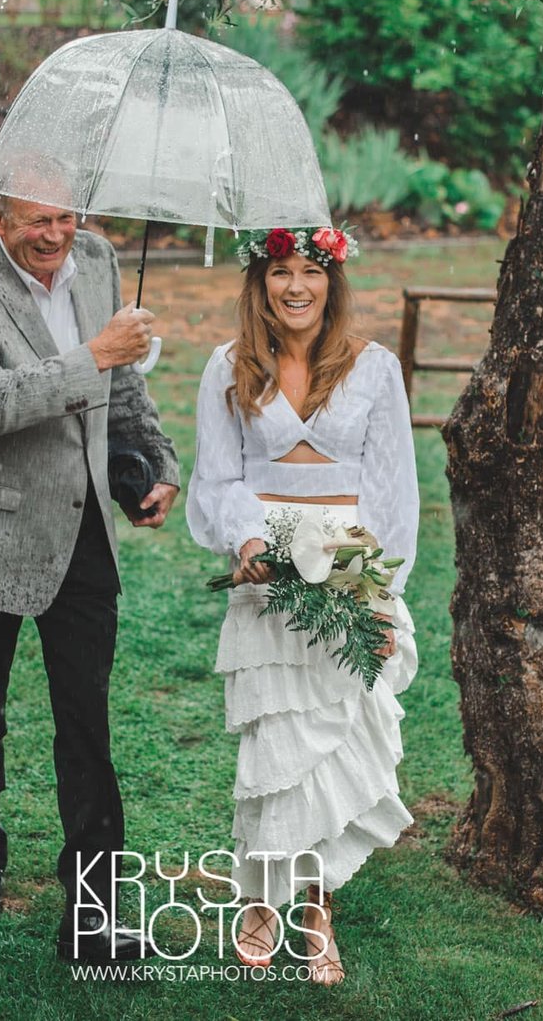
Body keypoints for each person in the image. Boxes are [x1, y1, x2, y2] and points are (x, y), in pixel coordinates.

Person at [0, 190, 180, 964]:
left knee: (87, 724)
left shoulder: (96, 259)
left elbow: (123, 385)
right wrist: (93, 353)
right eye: (38, 221)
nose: (57, 236)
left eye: (67, 218)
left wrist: (153, 462)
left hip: (82, 527)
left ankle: (91, 911)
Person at [187, 225, 419, 986]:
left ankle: (315, 908)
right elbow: (219, 479)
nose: (295, 287)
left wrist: (377, 592)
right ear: (260, 281)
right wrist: (248, 538)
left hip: (348, 554)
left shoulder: (374, 369)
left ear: (332, 281)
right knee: (277, 747)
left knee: (336, 740)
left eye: (310, 273)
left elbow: (391, 490)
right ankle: (260, 898)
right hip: (268, 560)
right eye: (280, 272)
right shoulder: (229, 366)